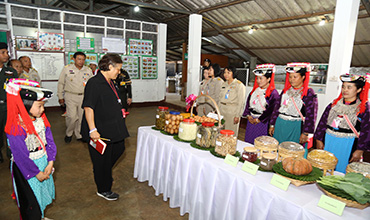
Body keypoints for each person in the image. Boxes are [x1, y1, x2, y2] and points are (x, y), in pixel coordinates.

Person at [5, 78, 56, 220]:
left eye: (43, 105)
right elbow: (20, 156)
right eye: (39, 106)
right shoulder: (16, 127)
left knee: (41, 194)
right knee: (30, 199)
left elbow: (50, 142)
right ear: (25, 106)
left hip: (43, 162)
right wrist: (36, 173)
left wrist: (50, 162)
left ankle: (40, 216)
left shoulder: (41, 120)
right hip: (26, 169)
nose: (43, 109)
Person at [81, 53, 129, 201]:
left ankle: (103, 172)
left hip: (113, 125)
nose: (119, 72)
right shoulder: (94, 83)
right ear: (109, 67)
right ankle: (103, 188)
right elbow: (89, 107)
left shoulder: (110, 81)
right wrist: (92, 130)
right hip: (100, 127)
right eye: (117, 69)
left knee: (119, 148)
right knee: (102, 158)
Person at [314, 74, 370, 172]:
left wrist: (360, 150)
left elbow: (366, 131)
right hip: (329, 141)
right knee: (324, 168)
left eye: (349, 87)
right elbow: (322, 123)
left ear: (359, 90)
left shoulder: (363, 109)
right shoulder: (334, 105)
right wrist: (319, 140)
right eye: (343, 86)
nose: (345, 90)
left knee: (341, 170)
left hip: (347, 144)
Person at [269, 63, 318, 157]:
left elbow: (311, 115)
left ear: (303, 77)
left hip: (295, 126)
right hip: (280, 124)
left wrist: (305, 132)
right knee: (278, 150)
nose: (291, 79)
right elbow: (276, 109)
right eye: (290, 77)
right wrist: (272, 124)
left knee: (292, 152)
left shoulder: (309, 93)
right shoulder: (285, 91)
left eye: (295, 77)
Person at [57, 52, 93, 143]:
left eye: (83, 59)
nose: (81, 61)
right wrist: (60, 96)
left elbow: (91, 84)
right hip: (70, 96)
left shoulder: (88, 70)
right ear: (74, 59)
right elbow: (61, 83)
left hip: (83, 96)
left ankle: (79, 134)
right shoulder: (67, 69)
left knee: (81, 117)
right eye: (79, 59)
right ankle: (69, 133)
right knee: (72, 117)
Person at [242, 64, 279, 144]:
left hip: (263, 123)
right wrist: (248, 116)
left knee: (261, 144)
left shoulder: (273, 93)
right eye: (257, 78)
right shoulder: (254, 91)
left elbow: (271, 110)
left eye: (261, 78)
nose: (258, 81)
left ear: (269, 79)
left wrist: (259, 119)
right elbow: (248, 104)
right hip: (251, 121)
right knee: (249, 142)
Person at [0, 42, 18, 163]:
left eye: (6, 52)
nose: (6, 55)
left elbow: (16, 89)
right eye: (3, 52)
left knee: (10, 132)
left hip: (8, 106)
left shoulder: (11, 72)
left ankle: (11, 154)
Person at [218, 66, 246, 136]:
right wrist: (217, 111)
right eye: (224, 72)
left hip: (232, 112)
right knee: (220, 132)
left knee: (230, 133)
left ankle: (229, 147)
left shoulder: (239, 85)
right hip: (222, 110)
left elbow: (241, 102)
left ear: (233, 73)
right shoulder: (223, 84)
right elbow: (220, 98)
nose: (226, 74)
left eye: (228, 72)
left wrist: (237, 115)